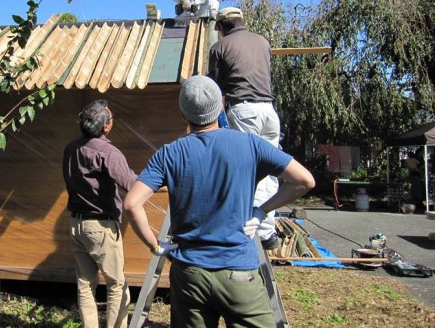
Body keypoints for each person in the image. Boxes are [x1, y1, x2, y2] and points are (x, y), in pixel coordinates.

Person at [124, 75, 315, 328]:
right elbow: (304, 181)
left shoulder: (169, 153)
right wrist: (261, 211)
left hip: (190, 273)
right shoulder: (250, 145)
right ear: (223, 104)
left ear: (183, 113)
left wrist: (155, 245)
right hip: (239, 272)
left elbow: (131, 204)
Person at [208, 6, 282, 249]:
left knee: (244, 170)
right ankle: (267, 232)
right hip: (269, 112)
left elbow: (214, 89)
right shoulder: (262, 42)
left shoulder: (220, 47)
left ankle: (245, 229)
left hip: (245, 111)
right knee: (269, 170)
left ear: (221, 27)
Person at [62, 100, 138, 328]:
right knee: (116, 285)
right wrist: (163, 182)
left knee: (85, 285)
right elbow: (130, 183)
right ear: (105, 127)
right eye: (112, 119)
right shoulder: (108, 152)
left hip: (77, 224)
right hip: (101, 227)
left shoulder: (70, 149)